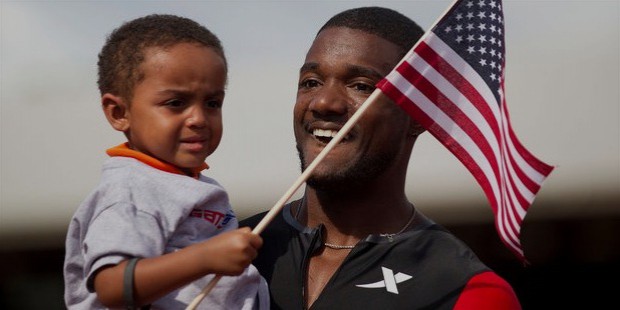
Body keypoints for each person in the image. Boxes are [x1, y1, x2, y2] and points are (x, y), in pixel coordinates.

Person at [241, 6, 521, 310]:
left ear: (419, 114)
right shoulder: (225, 251)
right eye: (311, 82)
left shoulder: (464, 289)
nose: (323, 102)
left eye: (361, 86)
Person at [63, 14, 268, 309]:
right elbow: (111, 286)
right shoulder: (131, 189)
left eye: (212, 103)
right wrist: (205, 257)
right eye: (175, 103)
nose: (198, 119)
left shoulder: (182, 182)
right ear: (119, 113)